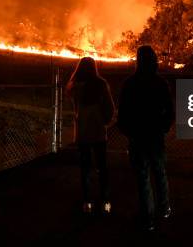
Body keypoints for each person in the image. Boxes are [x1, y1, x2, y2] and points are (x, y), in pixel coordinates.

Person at [117, 45, 174, 231]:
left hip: (138, 136)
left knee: (142, 177)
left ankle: (148, 218)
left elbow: (123, 113)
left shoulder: (129, 84)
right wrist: (163, 127)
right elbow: (170, 111)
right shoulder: (160, 83)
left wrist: (128, 131)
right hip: (155, 136)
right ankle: (164, 209)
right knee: (159, 172)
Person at [66, 57, 115, 215]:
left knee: (85, 168)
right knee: (102, 167)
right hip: (98, 130)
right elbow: (110, 107)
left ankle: (87, 202)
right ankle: (106, 202)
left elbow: (75, 108)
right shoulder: (100, 84)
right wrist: (105, 120)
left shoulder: (74, 87)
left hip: (83, 131)